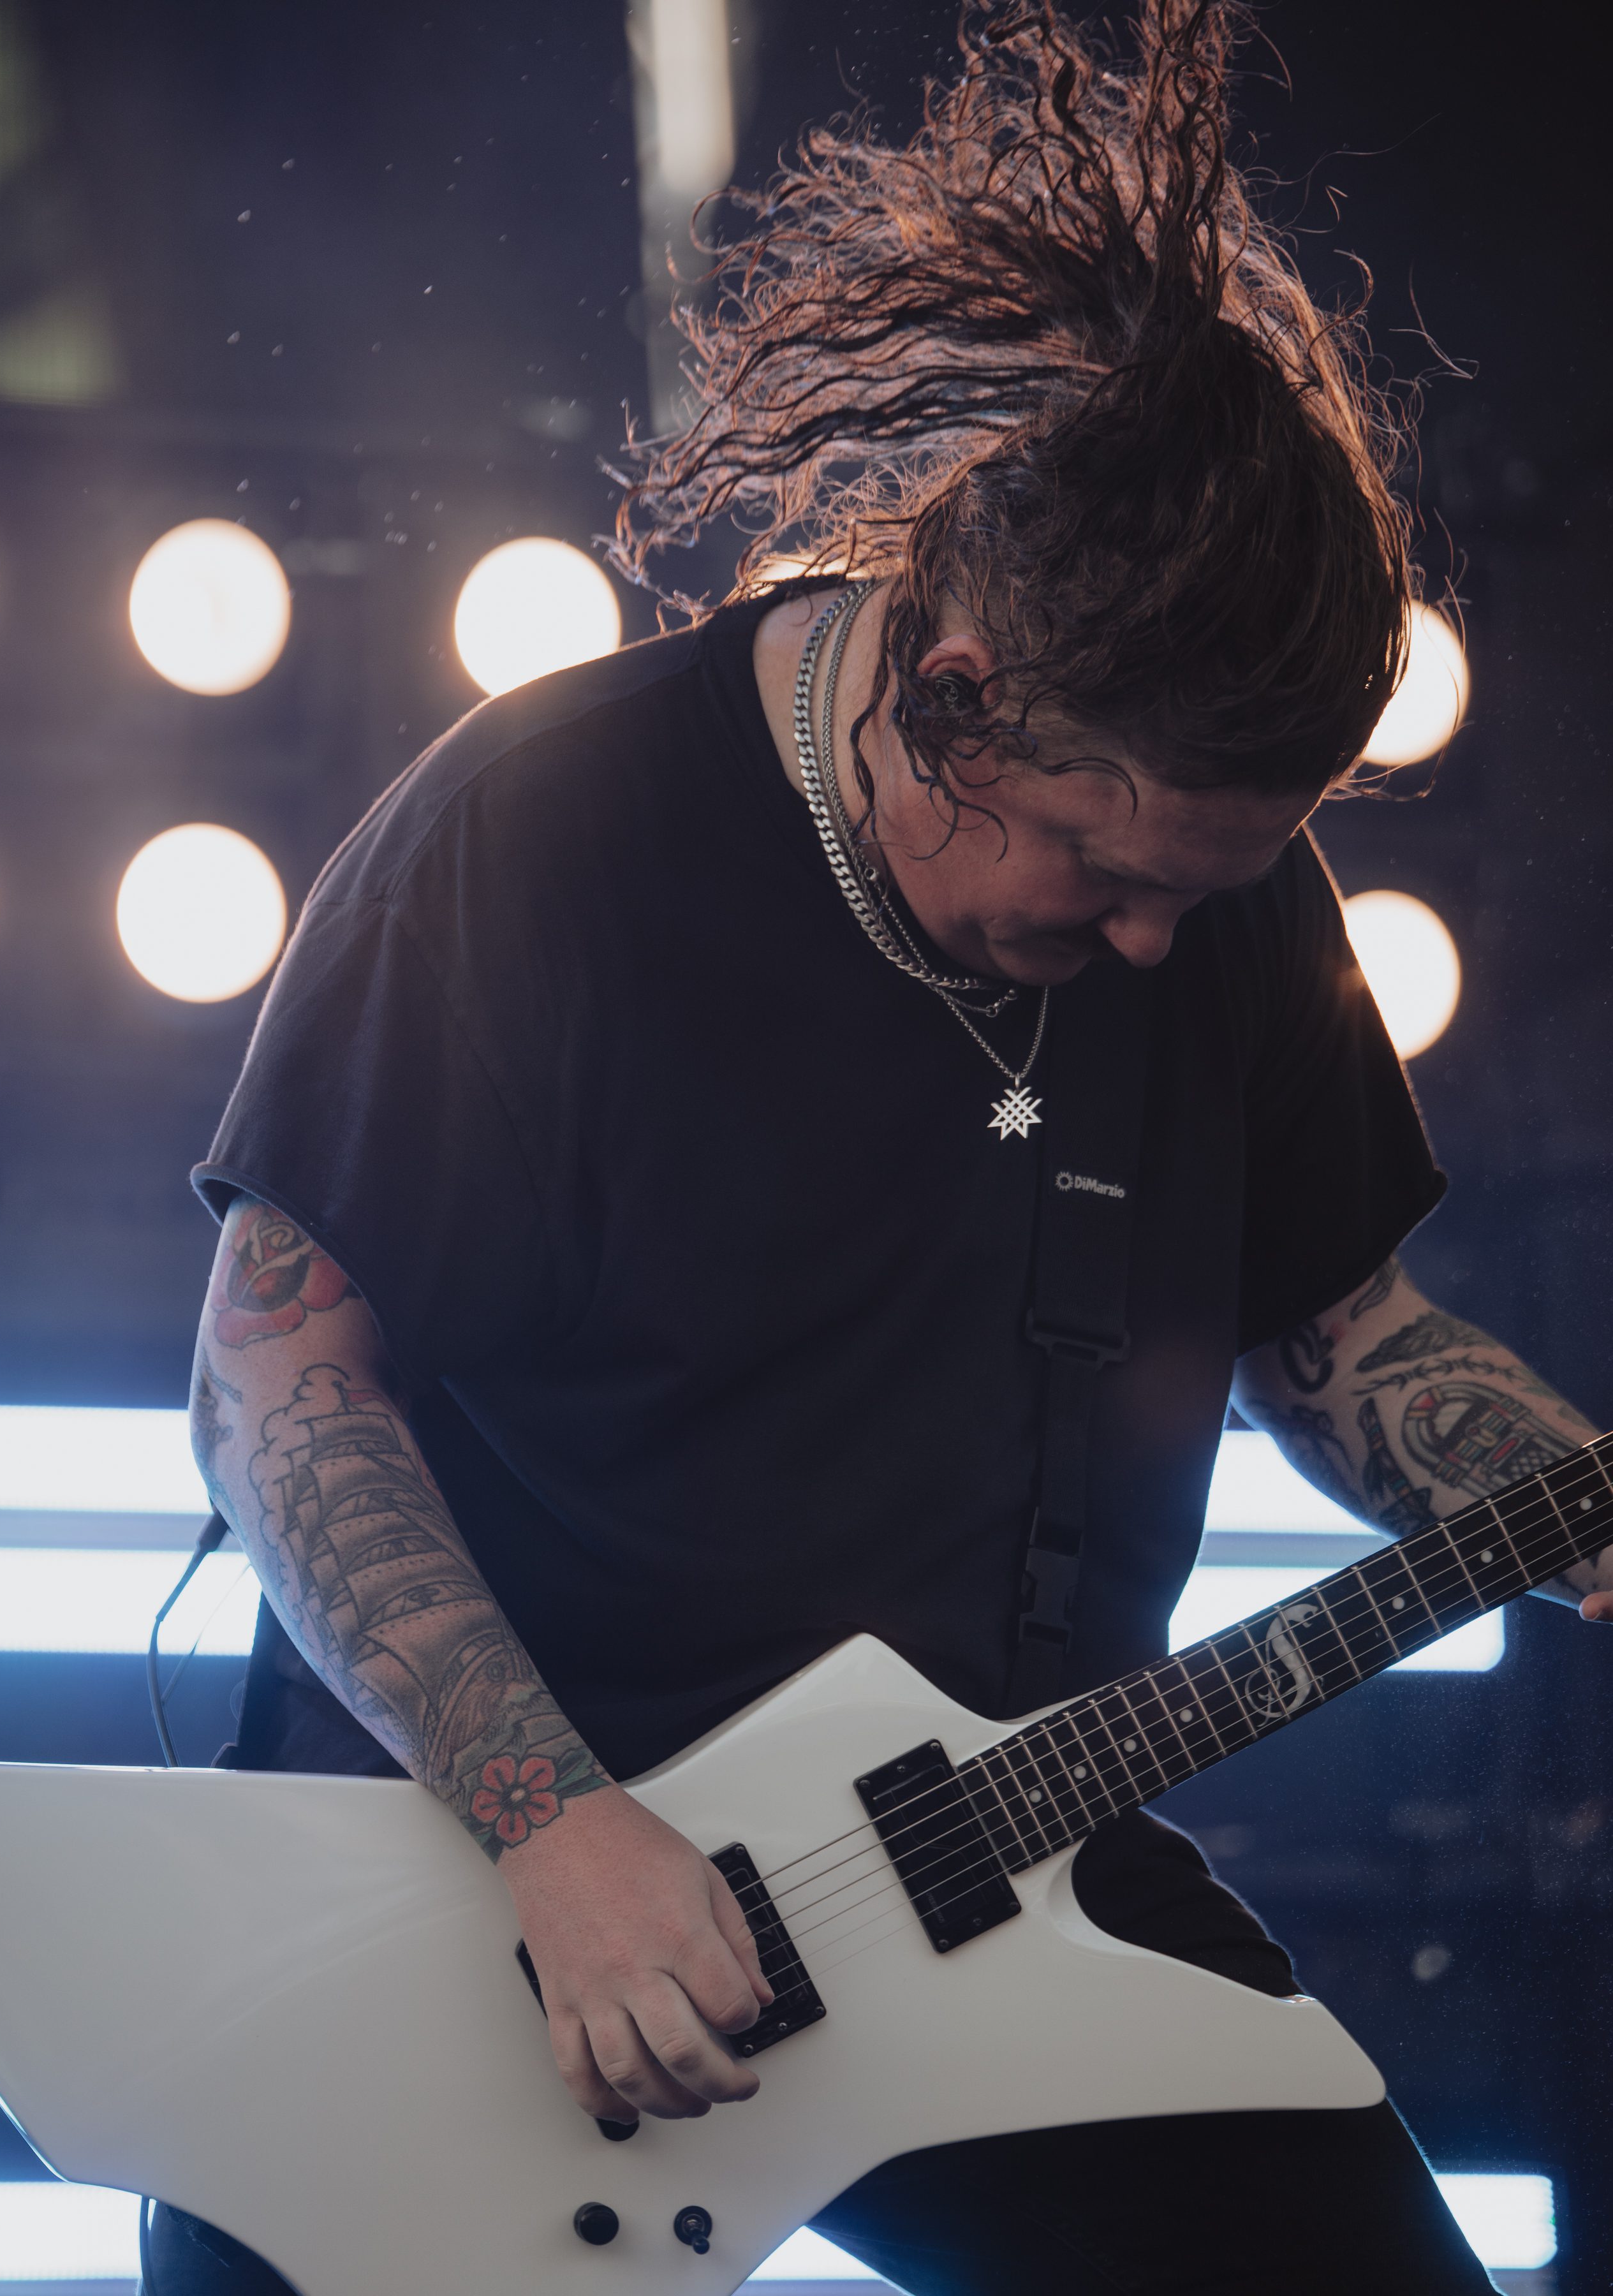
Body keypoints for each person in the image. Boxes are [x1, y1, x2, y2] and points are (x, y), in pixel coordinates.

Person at [148, 4, 1609, 2288]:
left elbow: (1342, 1342)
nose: (1147, 946)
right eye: (1097, 872)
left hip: (986, 1852)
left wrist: (1579, 1505)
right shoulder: (541, 829)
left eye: (1202, 894)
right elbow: (279, 1385)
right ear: (949, 695)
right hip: (488, 1898)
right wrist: (555, 1828)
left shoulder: (1223, 909)